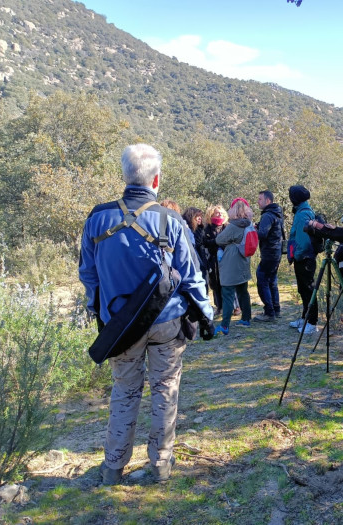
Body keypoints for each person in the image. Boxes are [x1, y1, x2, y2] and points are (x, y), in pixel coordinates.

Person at [79, 144, 213, 485]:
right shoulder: (170, 221)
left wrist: (97, 309)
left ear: (125, 176)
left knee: (124, 390)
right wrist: (207, 314)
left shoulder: (97, 218)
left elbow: (88, 275)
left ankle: (112, 469)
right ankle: (161, 466)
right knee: (165, 388)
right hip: (167, 321)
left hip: (119, 325)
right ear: (156, 179)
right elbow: (191, 275)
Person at [214, 198, 254, 335]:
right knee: (243, 291)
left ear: (234, 210)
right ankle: (246, 318)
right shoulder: (249, 224)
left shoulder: (233, 225)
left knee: (228, 293)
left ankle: (225, 325)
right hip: (243, 261)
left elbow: (219, 239)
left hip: (232, 263)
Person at [287, 185, 318, 335]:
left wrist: (297, 256)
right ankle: (305, 317)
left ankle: (312, 322)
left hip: (304, 258)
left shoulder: (302, 214)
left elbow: (302, 240)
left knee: (308, 289)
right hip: (303, 257)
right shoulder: (302, 211)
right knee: (303, 289)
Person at [253, 190, 284, 322]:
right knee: (272, 281)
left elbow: (263, 234)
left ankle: (269, 312)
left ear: (268, 201)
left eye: (260, 199)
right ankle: (275, 309)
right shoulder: (277, 213)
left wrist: (255, 230)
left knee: (262, 280)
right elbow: (273, 230)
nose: (258, 202)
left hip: (269, 253)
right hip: (276, 252)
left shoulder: (267, 215)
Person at [203, 204, 229, 312]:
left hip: (226, 258)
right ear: (211, 214)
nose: (219, 214)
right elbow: (205, 243)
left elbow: (228, 241)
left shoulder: (227, 226)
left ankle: (233, 306)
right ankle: (219, 306)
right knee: (215, 282)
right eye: (217, 213)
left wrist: (218, 243)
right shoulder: (207, 228)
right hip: (212, 259)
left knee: (227, 282)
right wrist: (217, 242)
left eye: (221, 213)